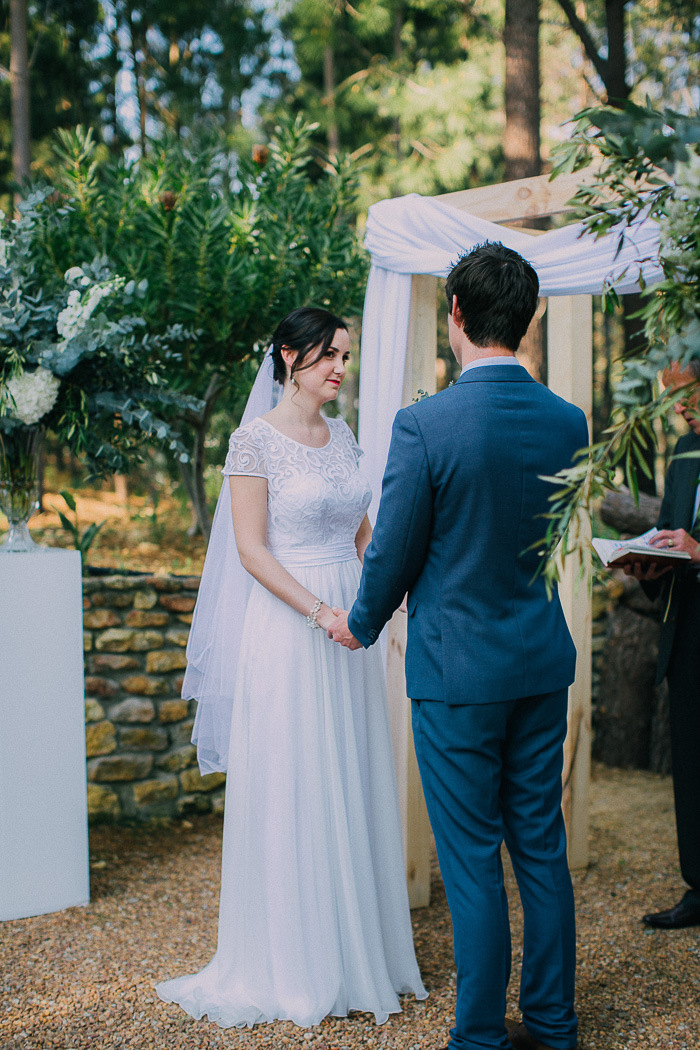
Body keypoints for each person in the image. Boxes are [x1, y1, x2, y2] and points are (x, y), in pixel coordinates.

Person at [329, 242, 589, 1050]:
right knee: (539, 846)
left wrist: (360, 622)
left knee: (472, 858)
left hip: (455, 673)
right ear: (528, 316)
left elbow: (395, 548)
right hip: (541, 663)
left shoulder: (426, 423)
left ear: (456, 317)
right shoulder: (567, 421)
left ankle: (478, 1037)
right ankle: (551, 1024)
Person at [156, 307, 426, 1027]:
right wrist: (320, 612)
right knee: (298, 779)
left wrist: (387, 603)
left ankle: (355, 948)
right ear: (289, 357)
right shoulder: (253, 442)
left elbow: (366, 534)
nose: (342, 367)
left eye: (345, 355)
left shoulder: (342, 435)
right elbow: (250, 550)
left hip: (350, 626)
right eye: (330, 355)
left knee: (351, 775)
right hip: (290, 626)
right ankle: (292, 962)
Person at [623, 360, 700, 930]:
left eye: (689, 397)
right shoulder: (682, 459)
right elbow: (677, 539)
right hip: (689, 630)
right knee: (692, 763)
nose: (679, 410)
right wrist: (652, 565)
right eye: (675, 400)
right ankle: (698, 886)